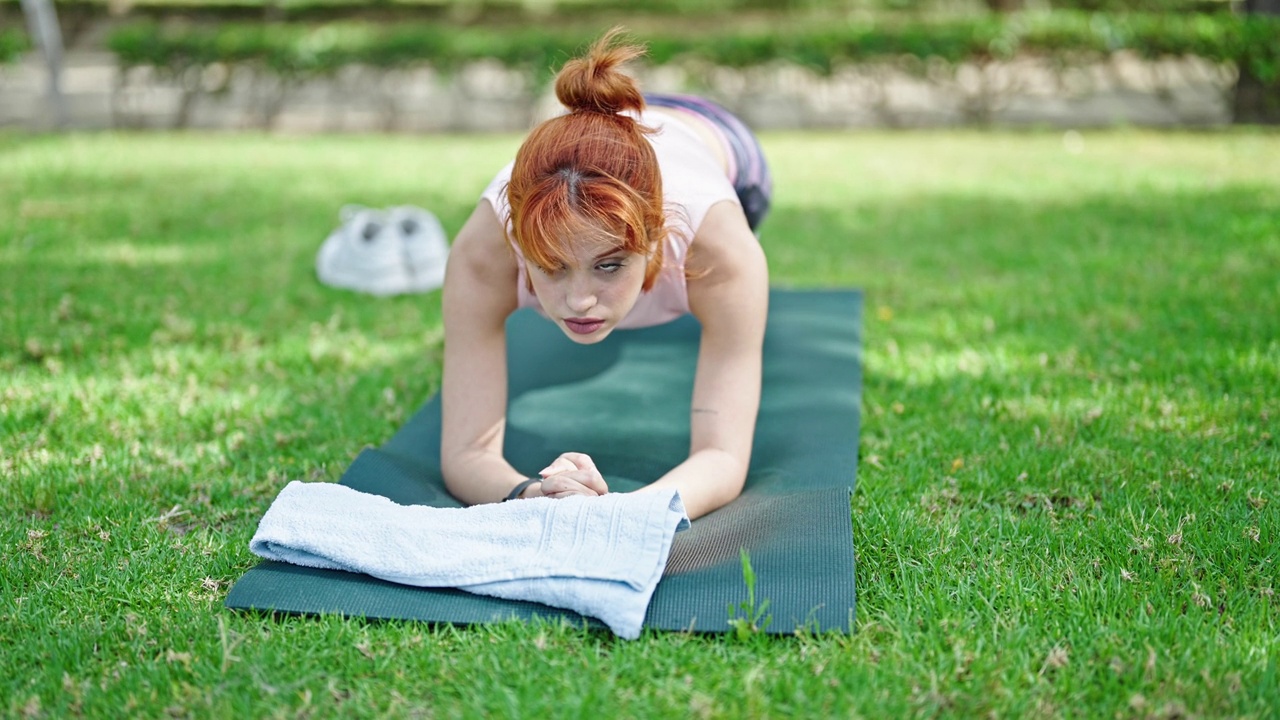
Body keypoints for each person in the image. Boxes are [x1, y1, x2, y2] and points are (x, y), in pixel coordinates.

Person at [440, 28, 771, 521]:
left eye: (609, 265)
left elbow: (723, 456)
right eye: (552, 266)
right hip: (584, 136)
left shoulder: (718, 248)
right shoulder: (484, 255)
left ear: (657, 236)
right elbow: (466, 453)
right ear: (518, 244)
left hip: (711, 134)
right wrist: (532, 494)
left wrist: (622, 510)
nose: (580, 301)